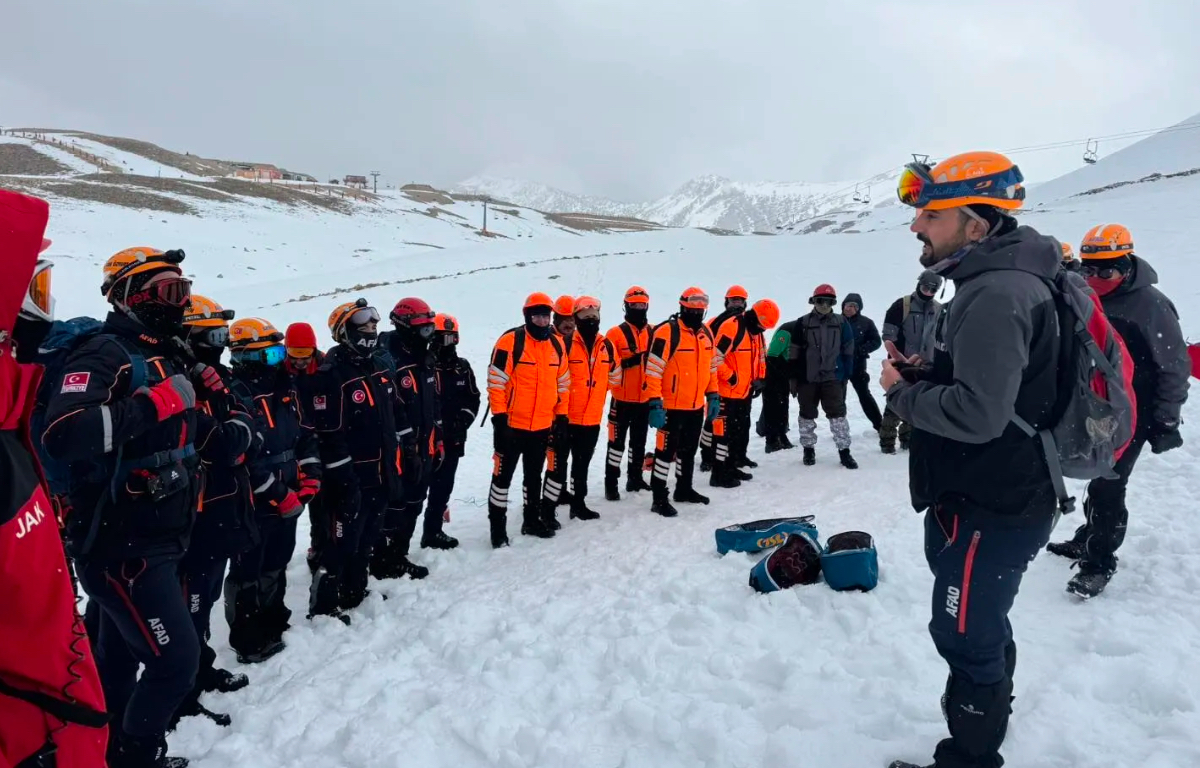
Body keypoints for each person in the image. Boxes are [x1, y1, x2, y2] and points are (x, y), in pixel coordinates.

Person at [43, 246, 252, 767]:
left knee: (114, 663)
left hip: (162, 535)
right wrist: (159, 401)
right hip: (123, 546)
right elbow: (63, 434)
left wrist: (217, 404)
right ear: (129, 296)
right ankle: (138, 757)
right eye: (167, 291)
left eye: (184, 290)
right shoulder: (104, 354)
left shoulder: (168, 354)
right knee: (175, 665)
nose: (180, 302)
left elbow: (189, 435)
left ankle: (104, 753)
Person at [882, 151, 1059, 768]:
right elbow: (1003, 386)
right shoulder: (1007, 280)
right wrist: (931, 371)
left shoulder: (996, 292)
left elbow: (981, 415)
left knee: (965, 633)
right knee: (980, 626)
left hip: (998, 501)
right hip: (1003, 493)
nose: (916, 227)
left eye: (931, 214)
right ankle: (987, 723)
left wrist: (902, 393)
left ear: (976, 226)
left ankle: (971, 757)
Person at [1, 189, 108, 768]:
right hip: (35, 735)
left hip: (56, 726)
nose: (42, 308)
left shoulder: (9, 415)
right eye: (31, 288)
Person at [1046, 224, 1189, 597]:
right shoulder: (1081, 295)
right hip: (1095, 406)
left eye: (1105, 270)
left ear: (1126, 265)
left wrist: (1166, 418)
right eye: (1087, 269)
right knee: (1098, 471)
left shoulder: (1150, 306)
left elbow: (1174, 366)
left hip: (1135, 412)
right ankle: (1087, 536)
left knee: (1110, 481)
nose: (1094, 278)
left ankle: (1099, 561)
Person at [174, 295, 254, 726]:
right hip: (196, 515)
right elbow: (223, 442)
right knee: (189, 604)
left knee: (203, 600)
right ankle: (181, 692)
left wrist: (233, 437)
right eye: (214, 335)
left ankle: (200, 669)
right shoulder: (181, 382)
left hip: (224, 507)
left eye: (225, 334)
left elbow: (246, 430)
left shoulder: (220, 379)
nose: (221, 343)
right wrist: (229, 439)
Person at [225, 318, 320, 663]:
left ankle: (273, 619)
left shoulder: (287, 387)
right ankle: (248, 638)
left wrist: (311, 473)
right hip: (255, 499)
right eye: (273, 352)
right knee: (249, 566)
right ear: (248, 356)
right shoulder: (235, 393)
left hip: (289, 491)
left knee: (277, 559)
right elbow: (244, 459)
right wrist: (279, 493)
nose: (281, 358)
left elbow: (305, 433)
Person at [306, 298, 404, 620]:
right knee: (340, 543)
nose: (372, 330)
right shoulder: (331, 375)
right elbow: (327, 435)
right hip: (348, 479)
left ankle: (355, 590)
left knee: (366, 539)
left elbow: (391, 420)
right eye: (364, 326)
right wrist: (343, 479)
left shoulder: (378, 368)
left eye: (374, 325)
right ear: (345, 331)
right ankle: (323, 605)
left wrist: (401, 458)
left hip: (379, 473)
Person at [486, 293, 570, 546]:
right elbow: (496, 382)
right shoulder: (510, 341)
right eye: (537, 316)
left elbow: (564, 383)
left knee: (533, 477)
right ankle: (497, 529)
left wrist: (561, 416)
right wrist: (500, 420)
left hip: (542, 425)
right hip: (512, 426)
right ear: (527, 316)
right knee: (502, 479)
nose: (543, 322)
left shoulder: (556, 345)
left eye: (547, 316)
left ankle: (531, 520)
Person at [371, 298, 441, 579]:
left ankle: (399, 555)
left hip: (424, 444)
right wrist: (403, 445)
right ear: (406, 326)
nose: (429, 334)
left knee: (414, 503)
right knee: (393, 506)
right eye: (423, 328)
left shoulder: (424, 356)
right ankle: (381, 561)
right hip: (398, 448)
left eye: (430, 328)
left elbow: (433, 401)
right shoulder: (388, 359)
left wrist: (438, 438)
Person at [644, 287, 717, 517]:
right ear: (682, 307)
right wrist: (655, 402)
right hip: (670, 407)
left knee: (688, 450)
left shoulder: (707, 333)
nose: (696, 314)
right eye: (691, 309)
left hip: (695, 406)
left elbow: (711, 368)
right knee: (664, 453)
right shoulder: (667, 332)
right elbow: (653, 370)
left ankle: (684, 489)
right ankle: (659, 497)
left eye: (700, 310)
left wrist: (713, 394)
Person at [543, 296, 618, 520]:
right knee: (557, 466)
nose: (591, 321)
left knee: (581, 466)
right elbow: (553, 381)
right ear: (576, 318)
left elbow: (615, 378)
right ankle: (548, 510)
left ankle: (578, 504)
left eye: (594, 317)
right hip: (565, 418)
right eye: (585, 317)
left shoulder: (606, 346)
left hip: (592, 419)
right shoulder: (563, 344)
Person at [710, 298, 779, 488]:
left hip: (744, 392)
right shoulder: (731, 328)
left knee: (737, 433)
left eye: (764, 328)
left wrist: (760, 379)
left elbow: (760, 357)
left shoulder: (756, 333)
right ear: (753, 316)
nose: (762, 329)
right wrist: (731, 377)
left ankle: (731, 466)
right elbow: (714, 359)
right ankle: (718, 473)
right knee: (722, 435)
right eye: (760, 325)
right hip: (726, 393)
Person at [788, 284, 858, 469]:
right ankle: (808, 450)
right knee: (807, 415)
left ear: (833, 303)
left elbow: (848, 350)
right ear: (813, 301)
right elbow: (793, 353)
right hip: (807, 379)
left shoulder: (842, 323)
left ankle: (845, 452)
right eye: (820, 301)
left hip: (832, 378)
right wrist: (794, 378)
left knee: (838, 416)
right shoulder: (802, 323)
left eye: (828, 301)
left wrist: (845, 375)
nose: (824, 305)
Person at [425, 314, 479, 547]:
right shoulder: (422, 367)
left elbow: (473, 398)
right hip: (424, 441)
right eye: (442, 338)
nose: (448, 343)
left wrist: (462, 421)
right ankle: (394, 540)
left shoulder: (462, 367)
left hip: (453, 440)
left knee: (443, 488)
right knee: (410, 494)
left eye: (452, 338)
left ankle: (433, 532)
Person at [880, 270, 943, 454]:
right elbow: (888, 336)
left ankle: (908, 438)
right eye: (926, 287)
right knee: (895, 401)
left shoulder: (939, 310)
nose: (928, 292)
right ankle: (887, 440)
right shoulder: (902, 306)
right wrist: (899, 358)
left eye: (933, 289)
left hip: (926, 364)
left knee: (916, 400)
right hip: (902, 362)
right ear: (919, 285)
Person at [603, 287, 654, 500]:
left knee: (639, 443)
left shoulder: (653, 331)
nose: (638, 308)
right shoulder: (614, 334)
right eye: (634, 305)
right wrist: (629, 362)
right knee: (616, 445)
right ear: (626, 305)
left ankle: (635, 478)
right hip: (621, 400)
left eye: (642, 305)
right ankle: (611, 484)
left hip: (644, 399)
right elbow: (606, 366)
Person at [700, 286, 749, 471]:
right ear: (726, 302)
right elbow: (709, 351)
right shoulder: (715, 322)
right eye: (733, 300)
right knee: (713, 421)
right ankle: (707, 456)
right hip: (717, 380)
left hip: (741, 384)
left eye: (740, 300)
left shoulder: (747, 324)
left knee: (739, 424)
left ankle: (736, 456)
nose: (736, 303)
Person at [542, 295, 578, 518]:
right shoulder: (549, 341)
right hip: (552, 410)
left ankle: (561, 490)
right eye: (565, 318)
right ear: (556, 318)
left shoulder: (575, 339)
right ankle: (549, 498)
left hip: (572, 408)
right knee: (554, 456)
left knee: (563, 454)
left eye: (572, 318)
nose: (569, 323)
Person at [841, 293, 883, 432]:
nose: (850, 308)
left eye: (854, 306)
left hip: (858, 365)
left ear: (859, 308)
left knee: (864, 395)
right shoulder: (835, 320)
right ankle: (840, 428)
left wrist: (862, 349)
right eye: (848, 305)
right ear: (843, 305)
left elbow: (876, 341)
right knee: (839, 398)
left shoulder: (866, 322)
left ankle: (879, 425)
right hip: (839, 365)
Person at [756, 317, 798, 452]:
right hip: (772, 375)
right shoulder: (787, 331)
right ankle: (771, 441)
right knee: (772, 408)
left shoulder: (801, 331)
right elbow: (772, 355)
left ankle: (782, 436)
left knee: (783, 407)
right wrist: (784, 374)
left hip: (784, 375)